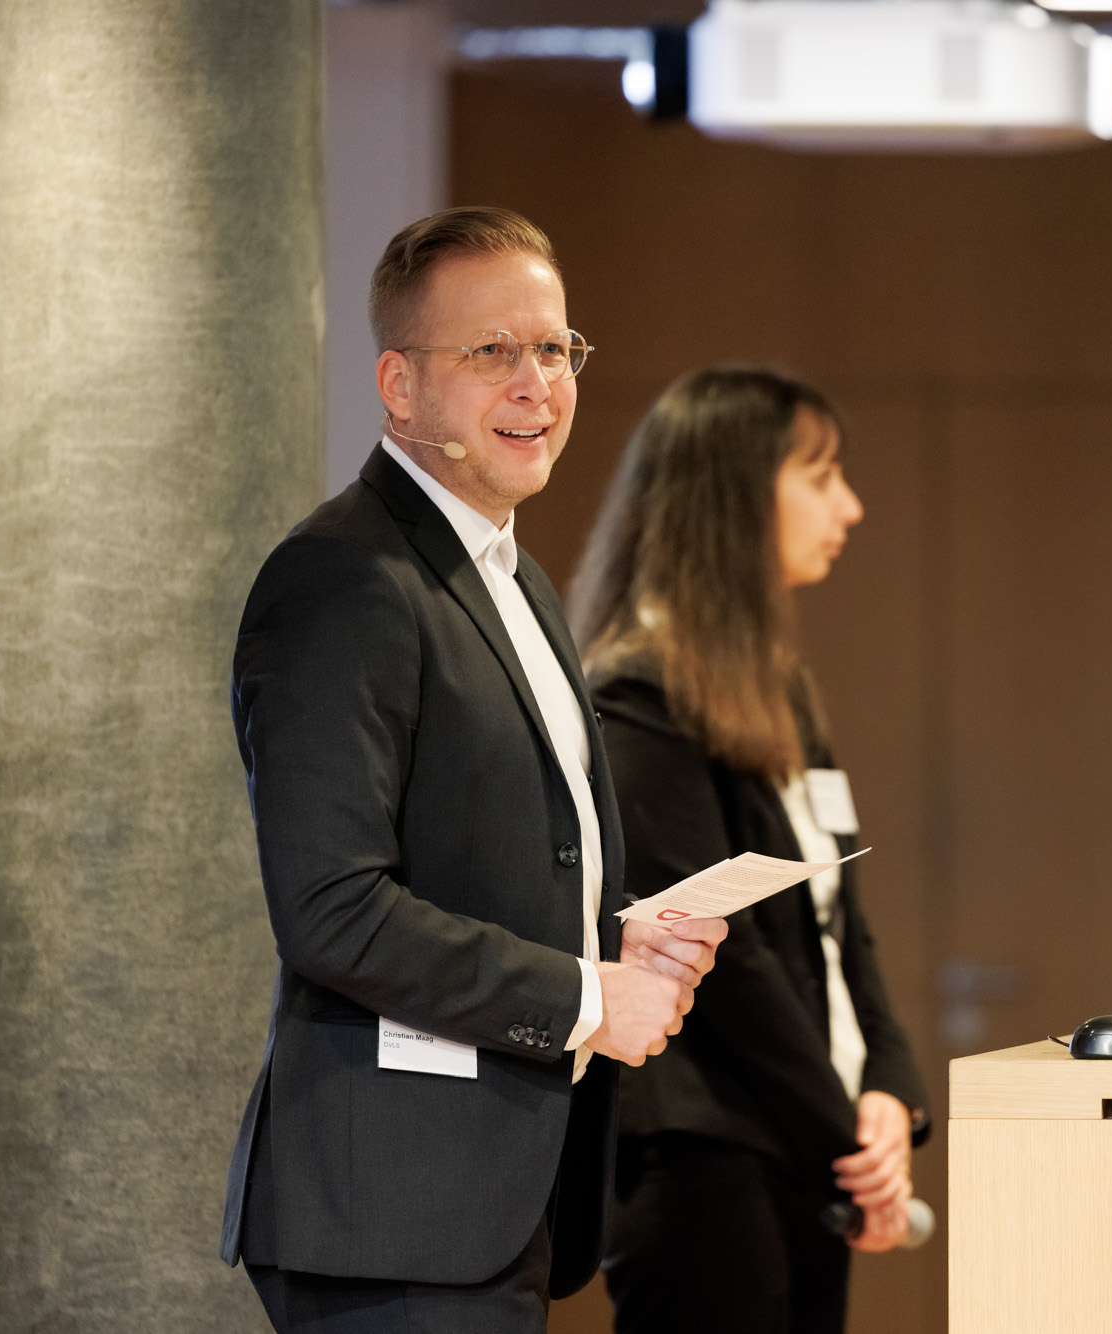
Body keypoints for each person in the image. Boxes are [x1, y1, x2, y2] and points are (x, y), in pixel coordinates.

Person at [217, 206, 727, 1334]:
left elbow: (492, 853)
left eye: (554, 348)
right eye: (491, 351)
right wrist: (588, 997)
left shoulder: (515, 574)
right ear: (399, 386)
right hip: (390, 1210)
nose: (535, 383)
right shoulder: (342, 581)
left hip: (494, 1194)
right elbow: (331, 909)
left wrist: (610, 935)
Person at [569, 367, 931, 1334]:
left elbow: (840, 923)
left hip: (800, 1145)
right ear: (732, 495)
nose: (847, 506)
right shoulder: (636, 692)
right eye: (819, 477)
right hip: (701, 1160)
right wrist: (847, 1137)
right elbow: (725, 961)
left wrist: (892, 1095)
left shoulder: (781, 688)